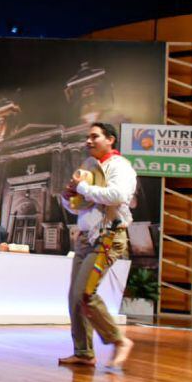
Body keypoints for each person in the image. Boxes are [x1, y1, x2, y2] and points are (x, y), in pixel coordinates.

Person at [58, 122, 136, 369]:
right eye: (87, 137)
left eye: (95, 136)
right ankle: (83, 352)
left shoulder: (119, 166)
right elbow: (81, 205)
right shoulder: (90, 167)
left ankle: (119, 340)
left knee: (85, 293)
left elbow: (118, 196)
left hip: (109, 236)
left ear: (110, 139)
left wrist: (82, 188)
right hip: (86, 237)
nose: (88, 141)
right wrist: (70, 198)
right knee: (75, 297)